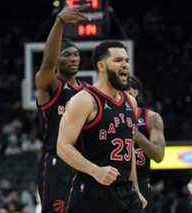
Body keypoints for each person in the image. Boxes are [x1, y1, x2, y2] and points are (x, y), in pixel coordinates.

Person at [57, 41, 147, 213]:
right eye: (118, 60)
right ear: (101, 66)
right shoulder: (84, 100)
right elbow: (62, 146)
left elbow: (129, 149)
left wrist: (135, 187)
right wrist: (96, 171)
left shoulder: (131, 102)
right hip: (92, 190)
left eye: (127, 61)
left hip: (126, 193)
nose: (125, 65)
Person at [35, 5, 87, 213]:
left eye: (76, 55)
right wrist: (60, 23)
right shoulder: (51, 84)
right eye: (67, 55)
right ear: (58, 58)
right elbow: (47, 63)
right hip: (57, 161)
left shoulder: (87, 91)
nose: (73, 59)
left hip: (83, 161)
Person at [128, 76, 165, 213]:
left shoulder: (151, 117)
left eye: (126, 88)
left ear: (135, 92)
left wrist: (138, 136)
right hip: (113, 180)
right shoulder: (107, 114)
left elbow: (159, 155)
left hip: (141, 180)